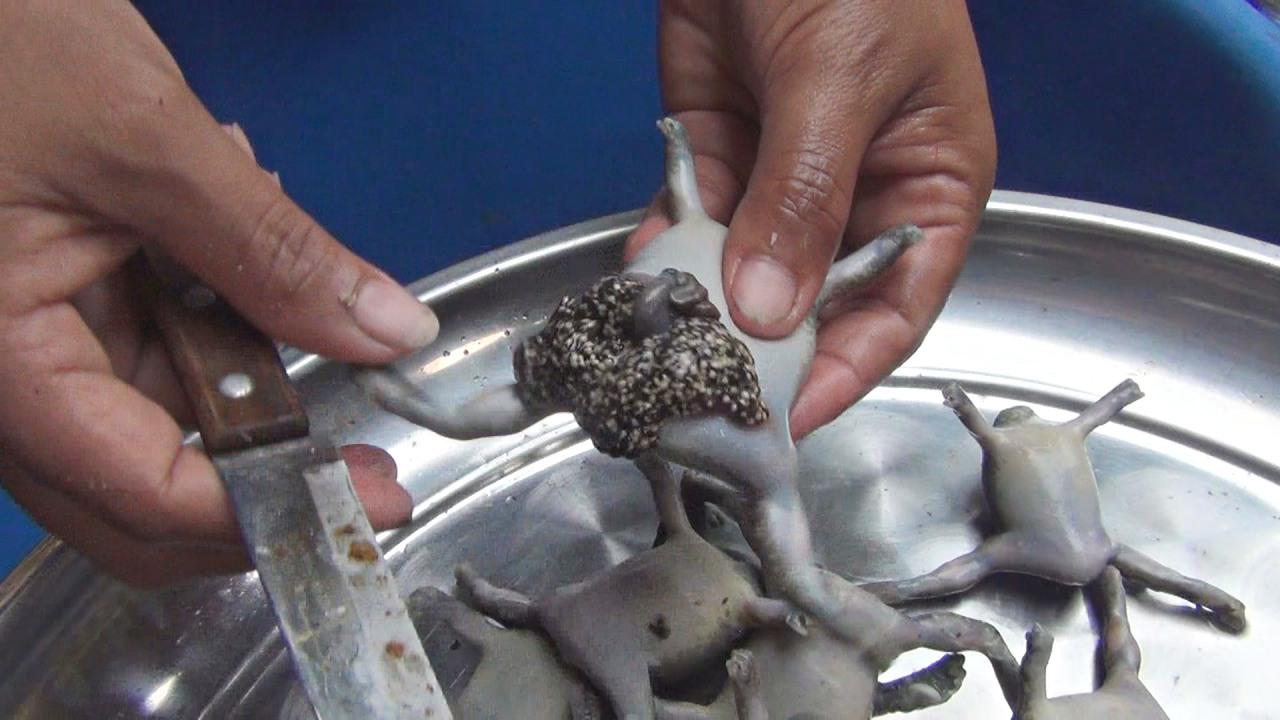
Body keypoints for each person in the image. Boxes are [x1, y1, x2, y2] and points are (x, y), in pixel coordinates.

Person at [0, 1, 995, 586]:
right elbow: (500, 401)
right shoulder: (619, 340)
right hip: (144, 83)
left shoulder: (703, 302)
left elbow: (729, 209)